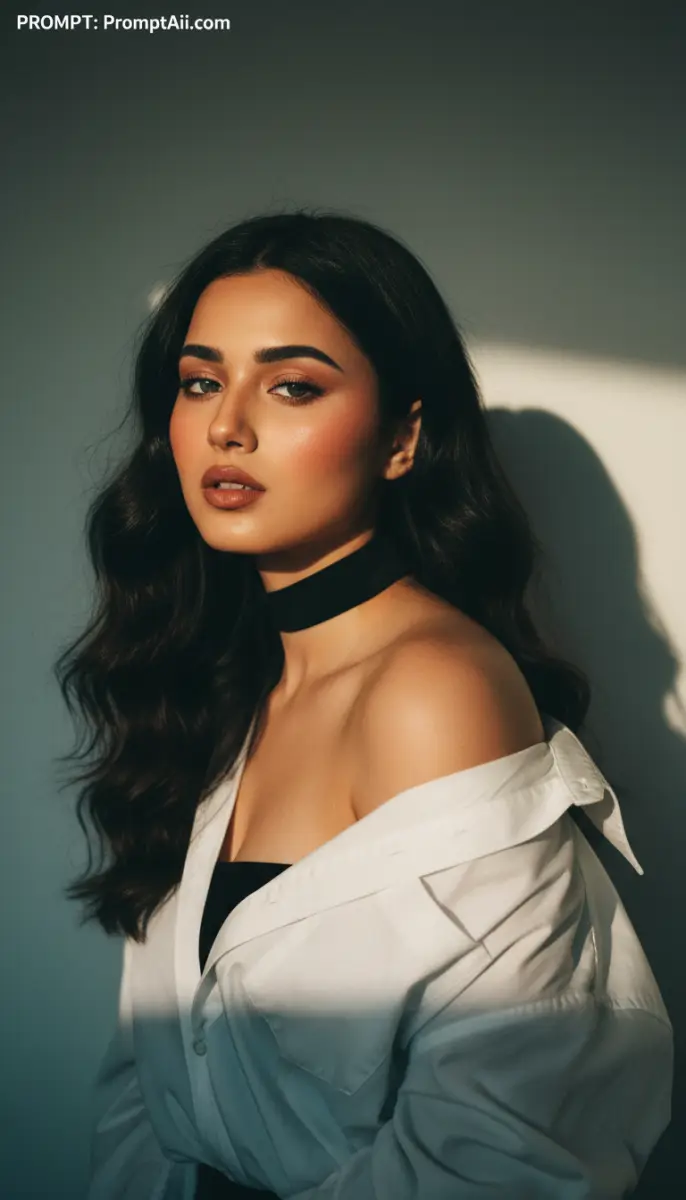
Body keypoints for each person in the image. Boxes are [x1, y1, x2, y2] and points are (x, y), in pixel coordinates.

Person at [54, 208, 673, 1199]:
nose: (226, 425)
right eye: (200, 381)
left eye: (292, 385)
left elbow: (498, 1145)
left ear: (400, 439)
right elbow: (154, 1082)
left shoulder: (434, 691)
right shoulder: (225, 682)